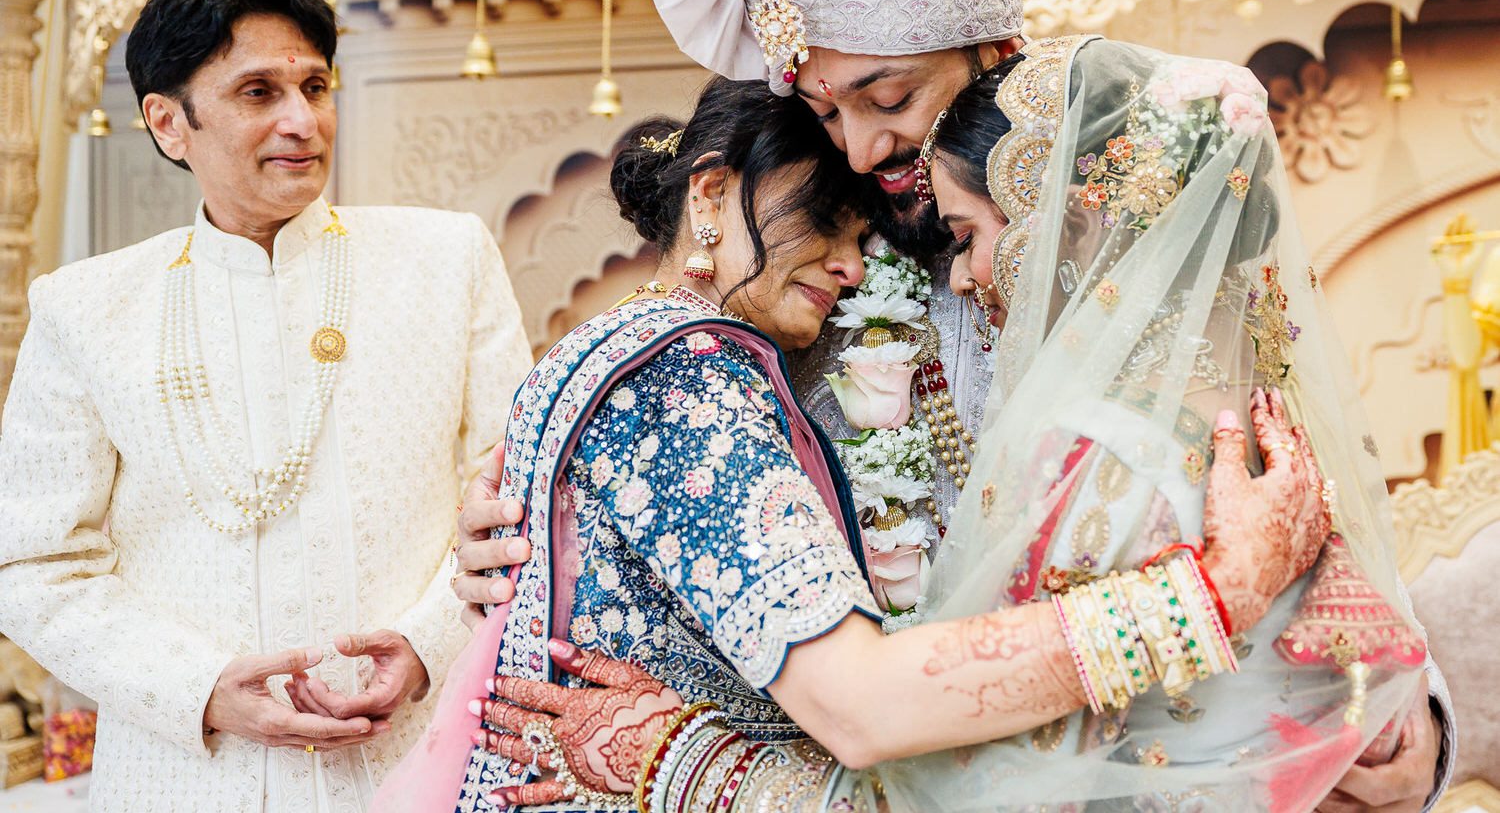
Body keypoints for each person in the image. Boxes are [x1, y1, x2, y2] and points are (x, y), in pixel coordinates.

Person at [456, 0, 1455, 809]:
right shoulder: (814, 309)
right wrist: (503, 557)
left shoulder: (1141, 268)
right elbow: (680, 520)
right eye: (828, 116)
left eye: (886, 94)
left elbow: (1301, 525)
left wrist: (1402, 719)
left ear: (994, 50)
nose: (858, 152)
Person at [388, 75, 1328, 813]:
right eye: (827, 219)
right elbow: (863, 706)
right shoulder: (687, 376)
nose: (853, 261)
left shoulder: (623, 347)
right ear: (712, 193)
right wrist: (1213, 592)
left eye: (867, 232)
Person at [0, 0, 533, 812]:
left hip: (422, 758)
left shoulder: (445, 262)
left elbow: (520, 496)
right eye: (257, 92)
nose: (302, 121)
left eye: (315, 86)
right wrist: (199, 687)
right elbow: (33, 564)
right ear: (169, 123)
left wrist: (428, 648)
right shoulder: (85, 309)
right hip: (185, 777)